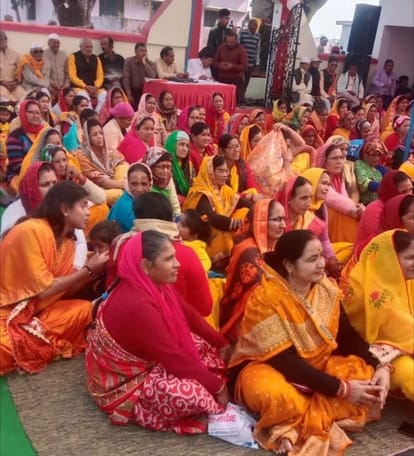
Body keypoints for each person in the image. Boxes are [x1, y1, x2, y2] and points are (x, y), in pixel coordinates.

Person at [228, 229, 390, 454]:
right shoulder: (267, 298)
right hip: (269, 368)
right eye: (312, 259)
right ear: (289, 265)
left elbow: (347, 336)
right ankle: (307, 417)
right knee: (278, 396)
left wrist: (380, 365)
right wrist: (341, 389)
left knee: (365, 375)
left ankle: (292, 425)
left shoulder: (327, 290)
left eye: (321, 255)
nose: (322, 263)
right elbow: (284, 361)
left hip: (317, 366)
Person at [85, 230, 228, 432]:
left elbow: (188, 314)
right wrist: (218, 387)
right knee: (191, 394)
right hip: (124, 380)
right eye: (169, 259)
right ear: (146, 266)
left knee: (201, 346)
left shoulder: (153, 282)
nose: (177, 264)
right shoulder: (139, 304)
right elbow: (173, 358)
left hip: (148, 356)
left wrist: (221, 342)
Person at [0, 181, 109, 375]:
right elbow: (45, 290)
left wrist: (95, 272)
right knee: (5, 346)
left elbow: (62, 291)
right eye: (83, 206)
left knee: (84, 310)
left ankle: (35, 338)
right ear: (65, 209)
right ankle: (36, 340)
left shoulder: (68, 243)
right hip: (7, 310)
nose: (88, 212)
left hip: (36, 311)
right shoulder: (31, 230)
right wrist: (88, 270)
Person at [344, 229, 413, 401]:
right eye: (410, 258)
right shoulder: (370, 289)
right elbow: (400, 331)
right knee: (409, 374)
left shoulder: (408, 281)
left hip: (407, 345)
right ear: (390, 260)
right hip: (382, 357)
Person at [1, 162, 88, 271]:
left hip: (61, 273)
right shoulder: (14, 212)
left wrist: (76, 268)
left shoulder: (62, 207)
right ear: (32, 187)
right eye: (45, 184)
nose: (52, 188)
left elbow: (80, 242)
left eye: (54, 183)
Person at [220, 199, 286, 341]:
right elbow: (257, 289)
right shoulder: (248, 251)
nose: (283, 225)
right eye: (277, 220)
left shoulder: (269, 244)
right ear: (260, 222)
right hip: (244, 311)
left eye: (284, 219)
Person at [184, 155, 252, 270]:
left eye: (226, 171)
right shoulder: (201, 192)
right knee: (222, 231)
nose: (225, 175)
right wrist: (237, 223)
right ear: (209, 172)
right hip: (203, 235)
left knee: (246, 211)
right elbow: (211, 218)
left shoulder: (224, 189)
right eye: (220, 171)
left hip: (220, 226)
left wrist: (258, 209)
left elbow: (241, 201)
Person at [354, 170, 412, 254]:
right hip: (370, 254)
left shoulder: (407, 206)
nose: (409, 194)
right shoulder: (375, 210)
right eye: (403, 191)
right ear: (390, 190)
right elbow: (383, 241)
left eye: (411, 190)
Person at [76, 119, 127, 205]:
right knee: (120, 194)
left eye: (101, 133)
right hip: (96, 190)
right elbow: (101, 181)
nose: (99, 137)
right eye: (94, 135)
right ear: (87, 138)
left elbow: (121, 162)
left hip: (114, 184)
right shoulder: (82, 155)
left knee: (122, 167)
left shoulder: (105, 150)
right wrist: (123, 185)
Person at [5, 99, 45, 187]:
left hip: (46, 174)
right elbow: (17, 166)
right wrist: (41, 173)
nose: (35, 115)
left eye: (38, 113)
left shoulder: (44, 133)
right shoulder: (15, 136)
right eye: (31, 112)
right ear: (23, 113)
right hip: (20, 176)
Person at [108, 162, 152, 233]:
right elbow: (144, 232)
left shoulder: (150, 201)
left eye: (144, 184)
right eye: (134, 184)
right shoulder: (124, 206)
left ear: (150, 184)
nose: (139, 189)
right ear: (127, 183)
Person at [68, 38, 106, 114]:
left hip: (94, 88)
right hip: (79, 88)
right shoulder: (73, 57)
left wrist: (96, 87)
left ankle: (96, 114)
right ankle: (89, 116)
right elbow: (72, 76)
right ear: (80, 47)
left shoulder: (96, 58)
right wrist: (84, 86)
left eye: (91, 47)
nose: (89, 49)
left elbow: (100, 76)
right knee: (84, 98)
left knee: (104, 95)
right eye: (87, 47)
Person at [141, 147, 181, 219]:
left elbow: (174, 205)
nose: (165, 171)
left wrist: (177, 218)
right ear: (151, 166)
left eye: (168, 167)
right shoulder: (143, 179)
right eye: (161, 167)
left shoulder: (168, 179)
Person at [218, 133, 259, 198]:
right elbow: (224, 193)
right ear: (221, 151)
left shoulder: (242, 165)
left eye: (237, 146)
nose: (236, 150)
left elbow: (252, 186)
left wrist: (249, 195)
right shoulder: (218, 168)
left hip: (241, 199)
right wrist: (246, 196)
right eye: (231, 147)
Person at [213, 31, 248, 104]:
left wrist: (233, 66)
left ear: (236, 41)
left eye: (232, 42)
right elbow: (214, 62)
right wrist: (219, 65)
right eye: (228, 42)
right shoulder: (221, 48)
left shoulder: (241, 50)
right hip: (222, 78)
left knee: (233, 101)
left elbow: (244, 66)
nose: (230, 44)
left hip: (236, 79)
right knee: (221, 99)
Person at [122, 42, 157, 110]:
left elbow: (153, 76)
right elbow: (126, 79)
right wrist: (129, 94)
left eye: (145, 51)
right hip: (131, 90)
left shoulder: (149, 63)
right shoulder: (128, 61)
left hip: (144, 92)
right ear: (135, 52)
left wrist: (145, 64)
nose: (144, 53)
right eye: (141, 51)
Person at [177, 209, 213, 273]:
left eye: (183, 225)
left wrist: (191, 271)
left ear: (193, 235)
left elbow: (207, 262)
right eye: (179, 221)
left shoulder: (196, 247)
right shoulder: (177, 238)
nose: (178, 225)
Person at [354, 141, 387, 206]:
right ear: (365, 155)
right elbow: (364, 182)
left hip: (378, 203)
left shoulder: (380, 168)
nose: (377, 158)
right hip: (364, 204)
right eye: (373, 155)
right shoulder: (359, 164)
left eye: (379, 155)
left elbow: (389, 179)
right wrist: (383, 188)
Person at [164, 130, 193, 198]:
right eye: (181, 144)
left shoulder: (189, 166)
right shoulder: (164, 165)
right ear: (172, 145)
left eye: (187, 146)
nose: (185, 149)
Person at [238, 19, 261, 103]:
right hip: (241, 63)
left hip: (250, 63)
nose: (254, 27)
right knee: (240, 80)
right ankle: (237, 98)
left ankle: (242, 98)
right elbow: (238, 46)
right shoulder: (242, 33)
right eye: (253, 25)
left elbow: (258, 50)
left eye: (256, 26)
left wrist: (257, 63)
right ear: (249, 25)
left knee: (246, 82)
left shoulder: (258, 36)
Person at [0, 30, 25, 101]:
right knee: (4, 98)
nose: (1, 41)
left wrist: (15, 82)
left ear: (6, 40)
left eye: (3, 39)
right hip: (1, 85)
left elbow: (20, 72)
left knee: (23, 96)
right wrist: (3, 83)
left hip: (14, 84)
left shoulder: (15, 54)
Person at [43, 33, 69, 100]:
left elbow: (67, 73)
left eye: (58, 43)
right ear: (48, 43)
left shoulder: (64, 54)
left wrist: (66, 85)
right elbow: (44, 74)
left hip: (63, 86)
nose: (56, 45)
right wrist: (52, 84)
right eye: (54, 43)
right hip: (50, 86)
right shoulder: (43, 54)